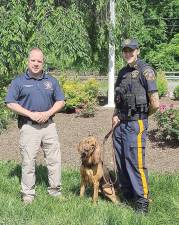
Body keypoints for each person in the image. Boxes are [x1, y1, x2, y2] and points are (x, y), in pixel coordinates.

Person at [5, 48, 65, 204]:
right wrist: (30, 114)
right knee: (28, 161)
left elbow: (61, 101)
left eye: (39, 61)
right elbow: (10, 102)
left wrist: (48, 112)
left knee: (54, 160)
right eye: (33, 60)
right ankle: (28, 194)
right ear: (28, 61)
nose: (36, 64)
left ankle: (55, 191)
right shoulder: (19, 81)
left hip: (49, 126)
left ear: (43, 62)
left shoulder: (51, 81)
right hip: (28, 126)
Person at [112, 39, 159, 213]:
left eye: (131, 50)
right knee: (121, 159)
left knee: (135, 162)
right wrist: (115, 115)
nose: (128, 53)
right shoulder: (122, 72)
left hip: (136, 123)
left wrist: (142, 118)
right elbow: (119, 98)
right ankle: (127, 194)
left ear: (137, 51)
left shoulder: (146, 71)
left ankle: (142, 201)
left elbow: (154, 103)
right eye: (125, 50)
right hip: (120, 123)